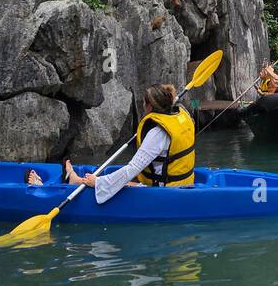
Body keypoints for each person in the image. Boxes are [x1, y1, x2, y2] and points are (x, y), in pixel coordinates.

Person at [62, 83, 195, 202]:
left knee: (114, 183)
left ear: (150, 106)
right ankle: (78, 180)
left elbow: (132, 169)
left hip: (165, 192)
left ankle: (78, 181)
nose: (143, 106)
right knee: (129, 179)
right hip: (185, 183)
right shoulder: (182, 117)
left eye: (144, 103)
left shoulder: (157, 133)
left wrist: (98, 181)